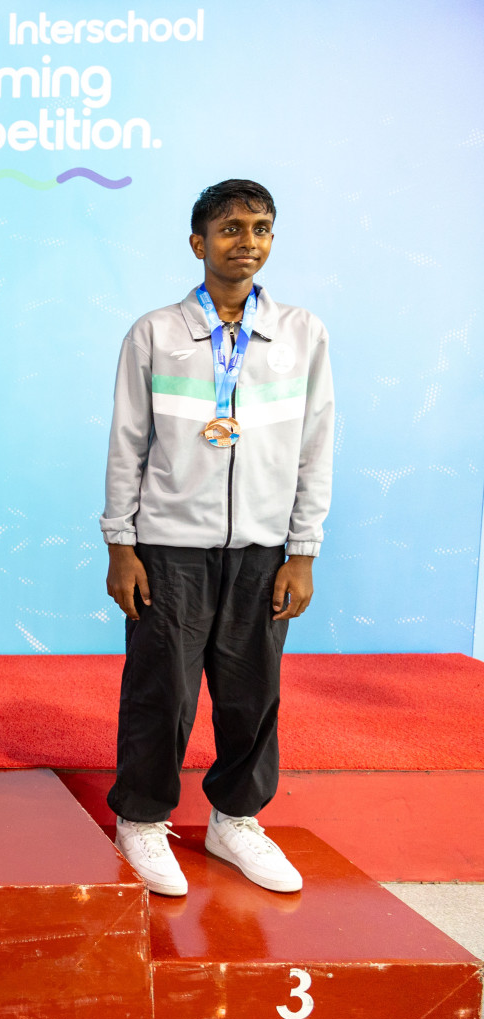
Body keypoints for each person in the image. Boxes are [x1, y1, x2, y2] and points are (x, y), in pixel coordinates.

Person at [101, 179, 334, 896]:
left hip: (264, 549)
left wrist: (303, 549)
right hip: (169, 546)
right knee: (161, 689)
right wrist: (121, 544)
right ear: (198, 243)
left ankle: (236, 818)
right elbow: (126, 444)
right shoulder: (156, 333)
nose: (247, 242)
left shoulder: (301, 334)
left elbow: (316, 445)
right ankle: (141, 819)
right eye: (230, 229)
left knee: (252, 692)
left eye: (260, 228)